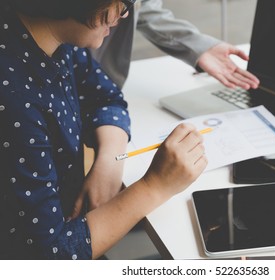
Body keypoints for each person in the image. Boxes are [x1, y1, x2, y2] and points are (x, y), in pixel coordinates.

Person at [0, 0, 207, 260]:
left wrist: (110, 159)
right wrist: (155, 185)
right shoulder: (14, 99)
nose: (125, 13)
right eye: (120, 3)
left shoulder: (54, 35)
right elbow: (50, 257)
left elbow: (106, 97)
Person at [91, 0, 260, 90]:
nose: (125, 14)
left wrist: (198, 46)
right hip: (83, 87)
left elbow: (142, 7)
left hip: (102, 92)